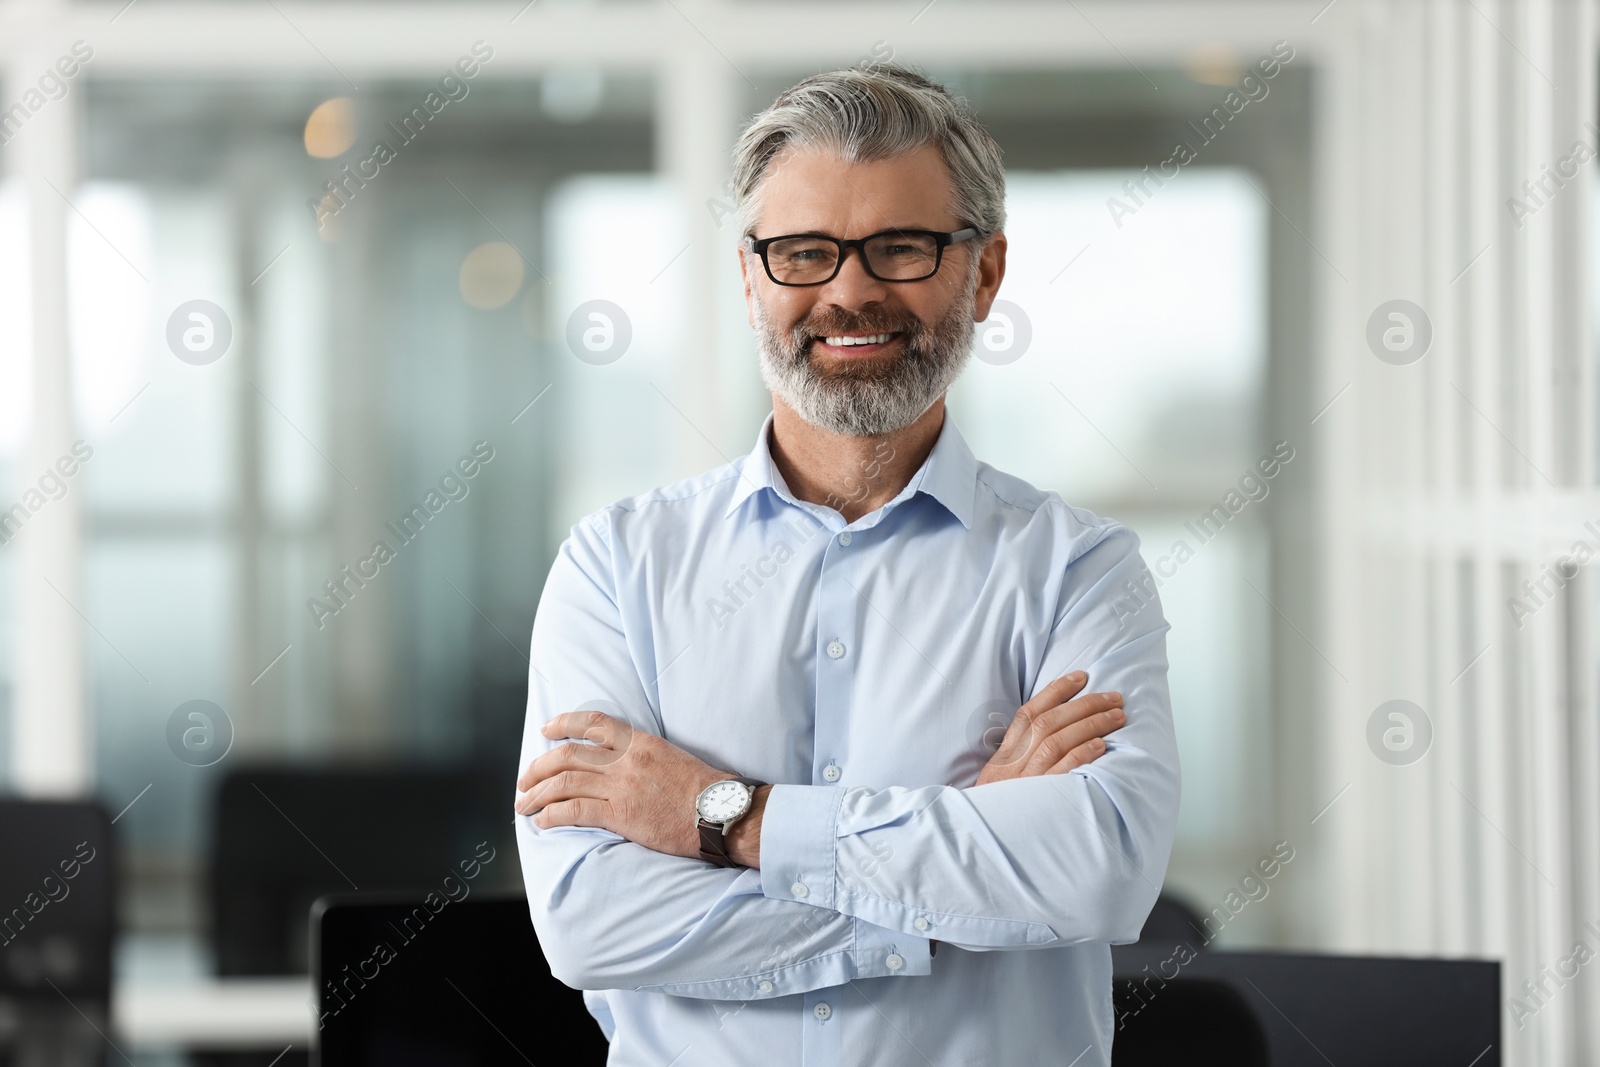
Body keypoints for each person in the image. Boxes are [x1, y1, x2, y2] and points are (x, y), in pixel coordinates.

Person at [513, 63, 1180, 1067]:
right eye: (803, 252)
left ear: (984, 272)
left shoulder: (1079, 572)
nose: (849, 289)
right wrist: (953, 883)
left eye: (902, 247)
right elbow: (592, 922)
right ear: (749, 277)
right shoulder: (616, 568)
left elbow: (1094, 874)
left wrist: (724, 816)